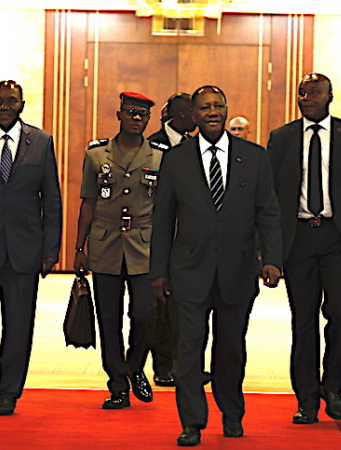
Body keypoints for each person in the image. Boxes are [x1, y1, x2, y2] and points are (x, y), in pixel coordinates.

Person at [150, 85, 282, 446]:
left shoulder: (253, 157)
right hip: (188, 272)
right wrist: (158, 272)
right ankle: (191, 421)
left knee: (230, 348)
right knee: (188, 349)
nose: (212, 112)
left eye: (218, 106)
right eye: (205, 107)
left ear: (226, 111)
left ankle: (232, 412)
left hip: (237, 271)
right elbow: (163, 221)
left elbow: (267, 212)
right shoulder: (176, 160)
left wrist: (271, 259)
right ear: (194, 115)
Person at [266, 73, 341, 425]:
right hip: (299, 240)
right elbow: (269, 199)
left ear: (329, 96)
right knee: (303, 322)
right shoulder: (282, 138)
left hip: (338, 239)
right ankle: (306, 399)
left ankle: (332, 386)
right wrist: (268, 252)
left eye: (313, 92)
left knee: (340, 314)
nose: (305, 97)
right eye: (301, 92)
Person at [0, 80, 62, 415]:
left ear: (22, 104)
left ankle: (8, 392)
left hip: (24, 248)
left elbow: (52, 199)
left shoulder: (41, 142)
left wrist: (51, 249)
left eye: (11, 101)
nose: (4, 106)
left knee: (19, 324)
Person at [73, 92, 161, 409]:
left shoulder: (159, 157)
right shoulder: (97, 154)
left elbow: (166, 210)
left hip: (144, 245)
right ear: (119, 115)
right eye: (131, 113)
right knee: (108, 319)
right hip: (105, 242)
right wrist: (78, 247)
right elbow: (88, 202)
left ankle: (135, 368)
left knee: (144, 314)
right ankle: (117, 384)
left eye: (142, 115)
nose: (136, 118)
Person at [145, 92, 197, 387]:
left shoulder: (194, 145)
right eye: (192, 113)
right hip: (157, 236)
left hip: (188, 240)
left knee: (186, 307)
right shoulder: (153, 146)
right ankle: (163, 366)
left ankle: (184, 364)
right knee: (160, 308)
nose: (197, 118)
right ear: (178, 116)